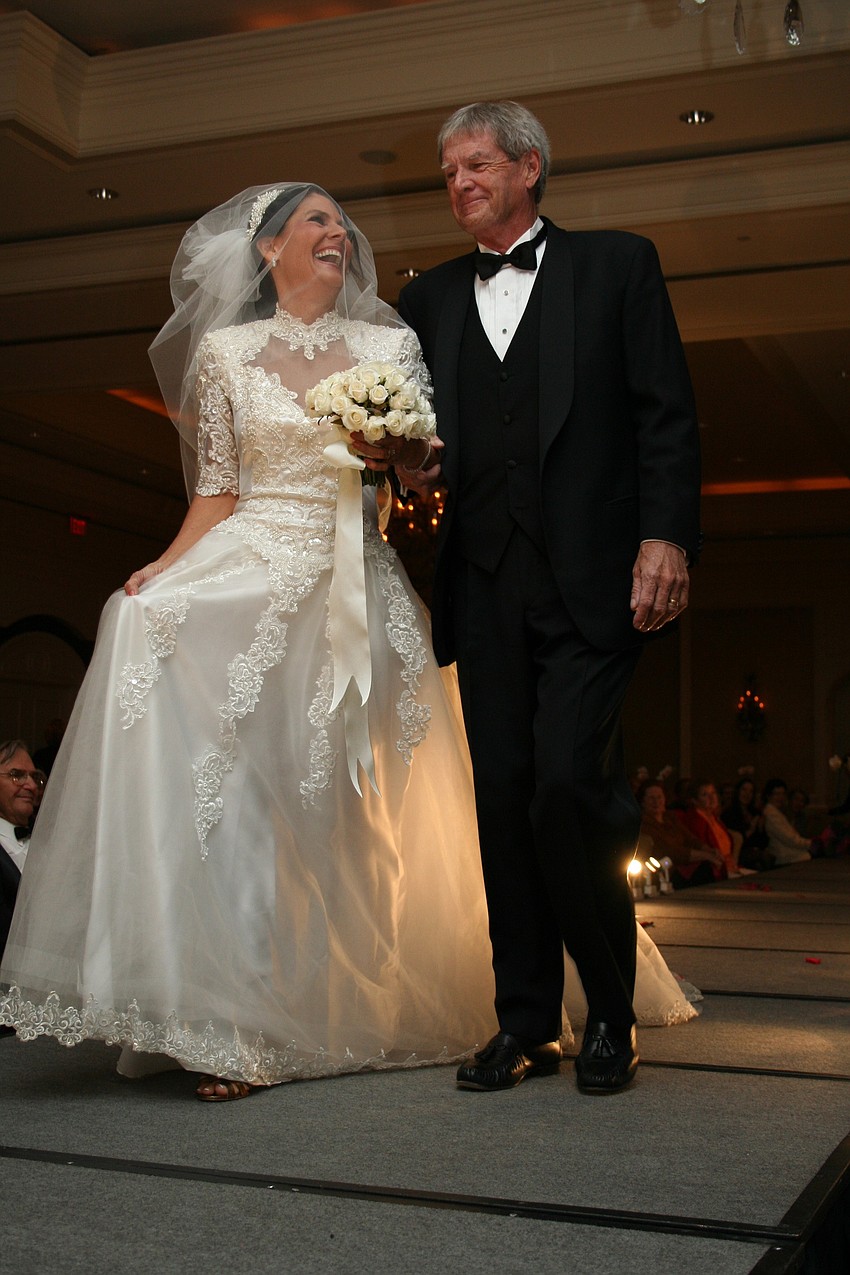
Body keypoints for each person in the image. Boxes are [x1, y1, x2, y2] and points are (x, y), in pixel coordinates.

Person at [0, 184, 697, 1098]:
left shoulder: (394, 339)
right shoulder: (225, 353)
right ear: (267, 250)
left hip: (357, 581)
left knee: (357, 812)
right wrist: (162, 568)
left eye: (341, 221)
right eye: (316, 221)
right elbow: (214, 491)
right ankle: (235, 1018)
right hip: (253, 566)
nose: (339, 233)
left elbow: (420, 475)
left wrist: (398, 458)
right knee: (204, 728)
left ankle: (478, 998)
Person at [380, 101, 701, 1093]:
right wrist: (406, 467)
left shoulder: (617, 265)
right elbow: (423, 443)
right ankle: (526, 1022)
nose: (457, 183)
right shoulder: (427, 298)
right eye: (446, 172)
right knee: (504, 801)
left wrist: (666, 536)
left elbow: (664, 413)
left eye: (474, 164)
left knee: (569, 786)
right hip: (481, 586)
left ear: (527, 167)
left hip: (596, 582)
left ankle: (610, 1009)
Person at [0, 741, 43, 1035]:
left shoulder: (50, 842)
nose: (29, 784)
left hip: (47, 1014)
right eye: (16, 775)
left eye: (34, 777)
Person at [639, 783, 725, 889]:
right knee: (705, 866)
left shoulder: (670, 817)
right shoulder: (644, 823)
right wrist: (705, 855)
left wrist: (709, 850)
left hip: (685, 863)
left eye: (659, 797)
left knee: (711, 863)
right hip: (666, 868)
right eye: (651, 798)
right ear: (643, 802)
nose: (656, 802)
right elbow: (670, 851)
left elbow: (690, 838)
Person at [677, 780, 739, 877]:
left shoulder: (714, 817)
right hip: (712, 870)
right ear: (695, 800)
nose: (712, 798)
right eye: (705, 795)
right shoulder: (695, 820)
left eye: (713, 793)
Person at [722, 776, 770, 870]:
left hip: (755, 851)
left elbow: (763, 842)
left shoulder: (755, 812)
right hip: (739, 853)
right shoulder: (730, 813)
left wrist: (761, 828)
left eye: (750, 791)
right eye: (744, 790)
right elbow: (735, 840)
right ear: (738, 791)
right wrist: (751, 830)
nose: (747, 794)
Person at [762, 779, 812, 866]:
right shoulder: (772, 814)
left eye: (782, 794)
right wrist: (811, 843)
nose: (780, 797)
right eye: (777, 794)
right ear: (768, 796)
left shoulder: (777, 812)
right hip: (784, 857)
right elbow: (789, 839)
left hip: (791, 852)